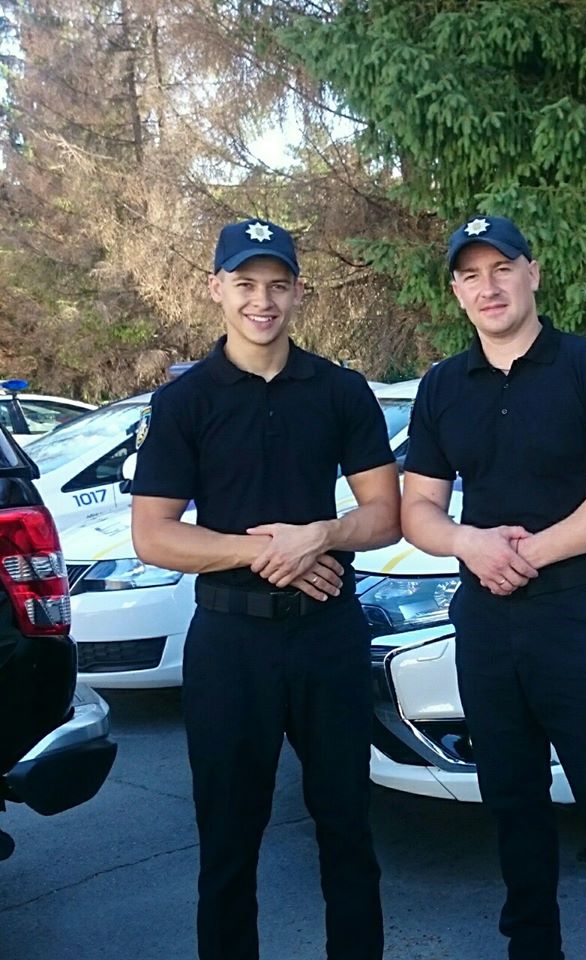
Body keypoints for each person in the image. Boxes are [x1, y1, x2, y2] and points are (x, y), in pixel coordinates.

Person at [130, 217, 400, 960]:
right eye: (245, 284)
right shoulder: (184, 403)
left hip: (327, 634)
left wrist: (322, 534)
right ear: (215, 289)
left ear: (298, 293)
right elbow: (153, 534)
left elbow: (385, 515)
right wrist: (267, 551)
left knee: (347, 829)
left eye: (278, 285)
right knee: (228, 843)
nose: (262, 301)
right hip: (230, 644)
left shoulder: (341, 390)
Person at [401, 214, 586, 960]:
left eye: (501, 269)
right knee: (513, 807)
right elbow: (417, 509)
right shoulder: (442, 387)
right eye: (470, 275)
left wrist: (529, 553)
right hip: (486, 625)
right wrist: (468, 543)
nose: (488, 288)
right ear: (457, 292)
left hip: (581, 617)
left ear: (533, 273)